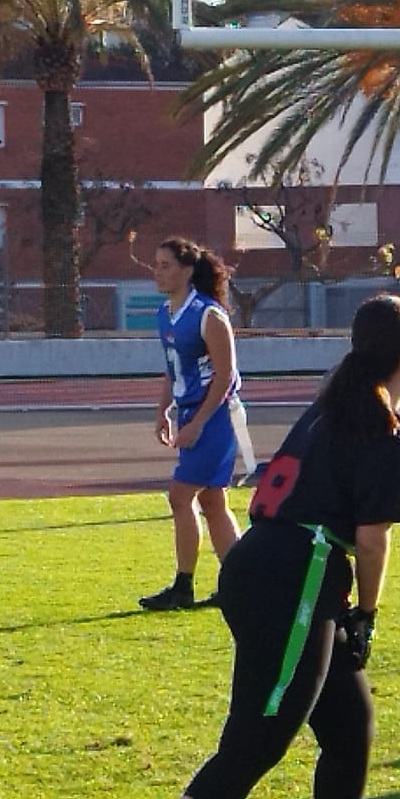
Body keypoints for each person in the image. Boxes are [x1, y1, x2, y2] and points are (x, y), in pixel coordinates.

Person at [120, 294, 400, 799]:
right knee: (259, 736)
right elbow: (371, 541)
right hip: (294, 576)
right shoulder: (378, 425)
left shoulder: (338, 404)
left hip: (284, 568)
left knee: (349, 724)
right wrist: (366, 615)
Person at [138, 236, 246, 611]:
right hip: (190, 412)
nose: (158, 271)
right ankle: (242, 581)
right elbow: (173, 369)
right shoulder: (165, 314)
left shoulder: (208, 314)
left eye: (166, 265)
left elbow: (225, 376)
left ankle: (183, 586)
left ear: (187, 271)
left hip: (215, 417)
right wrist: (164, 410)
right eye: (156, 264)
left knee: (179, 496)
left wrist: (199, 422)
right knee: (213, 502)